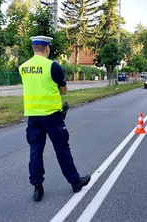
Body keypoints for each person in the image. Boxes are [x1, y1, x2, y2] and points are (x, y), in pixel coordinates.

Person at [19, 36, 91, 202]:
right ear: (47, 48)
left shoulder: (23, 68)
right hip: (51, 116)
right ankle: (75, 181)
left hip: (33, 117)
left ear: (33, 48)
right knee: (62, 148)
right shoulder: (53, 66)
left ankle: (37, 188)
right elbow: (63, 90)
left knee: (35, 151)